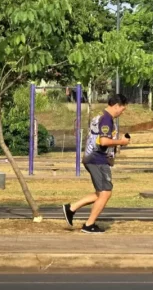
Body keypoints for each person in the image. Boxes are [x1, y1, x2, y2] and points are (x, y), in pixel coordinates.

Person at [62, 94, 130, 234]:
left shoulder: (101, 118)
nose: (122, 113)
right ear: (116, 106)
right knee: (105, 193)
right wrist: (121, 142)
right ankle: (89, 225)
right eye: (122, 109)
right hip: (97, 160)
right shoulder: (106, 120)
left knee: (101, 193)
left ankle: (71, 208)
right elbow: (104, 141)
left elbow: (99, 141)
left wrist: (112, 152)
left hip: (95, 158)